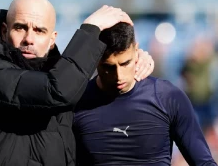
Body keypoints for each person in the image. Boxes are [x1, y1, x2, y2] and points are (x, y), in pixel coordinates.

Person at [0, 0, 154, 166]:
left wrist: (135, 63)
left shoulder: (58, 77)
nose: (29, 39)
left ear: (52, 40)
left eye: (39, 31)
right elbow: (55, 91)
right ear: (5, 32)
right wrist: (91, 29)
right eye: (20, 28)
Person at [73, 22, 218, 166]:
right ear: (95, 61)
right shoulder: (76, 102)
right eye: (108, 67)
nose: (119, 76)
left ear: (137, 51)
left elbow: (204, 163)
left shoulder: (167, 97)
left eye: (125, 63)